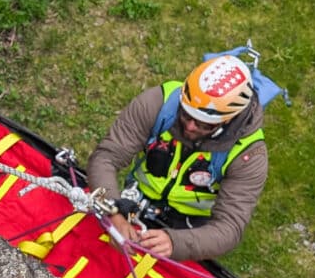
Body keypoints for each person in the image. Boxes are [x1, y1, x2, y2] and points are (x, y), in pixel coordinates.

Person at [86, 54, 268, 262]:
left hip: (191, 227)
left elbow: (229, 227)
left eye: (204, 125)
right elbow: (107, 156)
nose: (190, 127)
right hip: (133, 202)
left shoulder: (250, 155)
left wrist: (177, 243)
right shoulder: (158, 103)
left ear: (228, 121)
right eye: (186, 114)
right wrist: (113, 210)